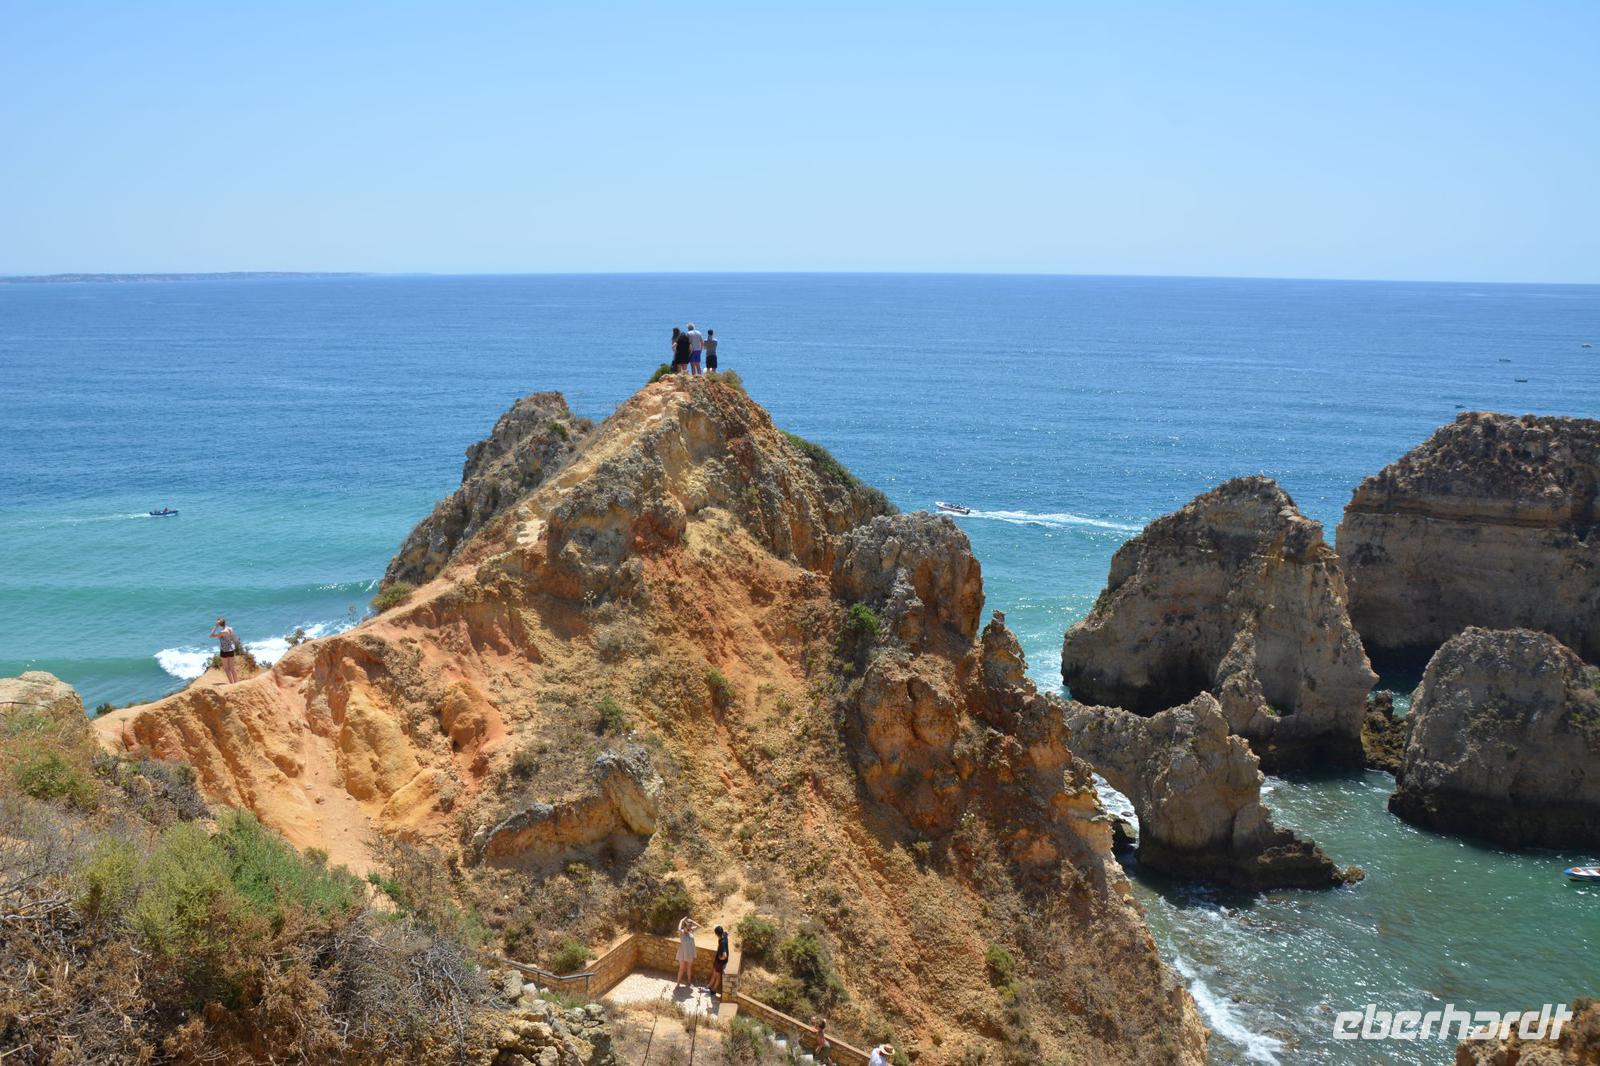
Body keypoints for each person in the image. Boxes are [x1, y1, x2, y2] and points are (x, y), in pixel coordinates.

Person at [210, 617, 240, 684]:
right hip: (231, 649)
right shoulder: (230, 629)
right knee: (232, 668)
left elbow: (211, 635)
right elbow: (234, 638)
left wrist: (215, 626)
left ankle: (232, 683)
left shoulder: (222, 632)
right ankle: (236, 683)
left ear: (219, 624)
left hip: (224, 651)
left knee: (226, 669)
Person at [675, 915, 699, 985]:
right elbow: (679, 929)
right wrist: (682, 920)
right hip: (682, 953)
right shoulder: (681, 932)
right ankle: (678, 983)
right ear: (684, 926)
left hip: (690, 953)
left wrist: (692, 921)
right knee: (681, 969)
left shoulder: (691, 931)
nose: (689, 928)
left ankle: (689, 981)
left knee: (689, 968)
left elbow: (698, 926)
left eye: (690, 926)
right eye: (687, 926)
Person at [708, 925, 730, 996]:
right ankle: (709, 985)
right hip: (718, 960)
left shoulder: (722, 943)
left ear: (716, 934)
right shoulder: (724, 935)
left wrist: (721, 958)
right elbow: (727, 932)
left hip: (720, 962)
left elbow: (725, 955)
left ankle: (714, 989)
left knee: (718, 975)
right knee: (714, 972)